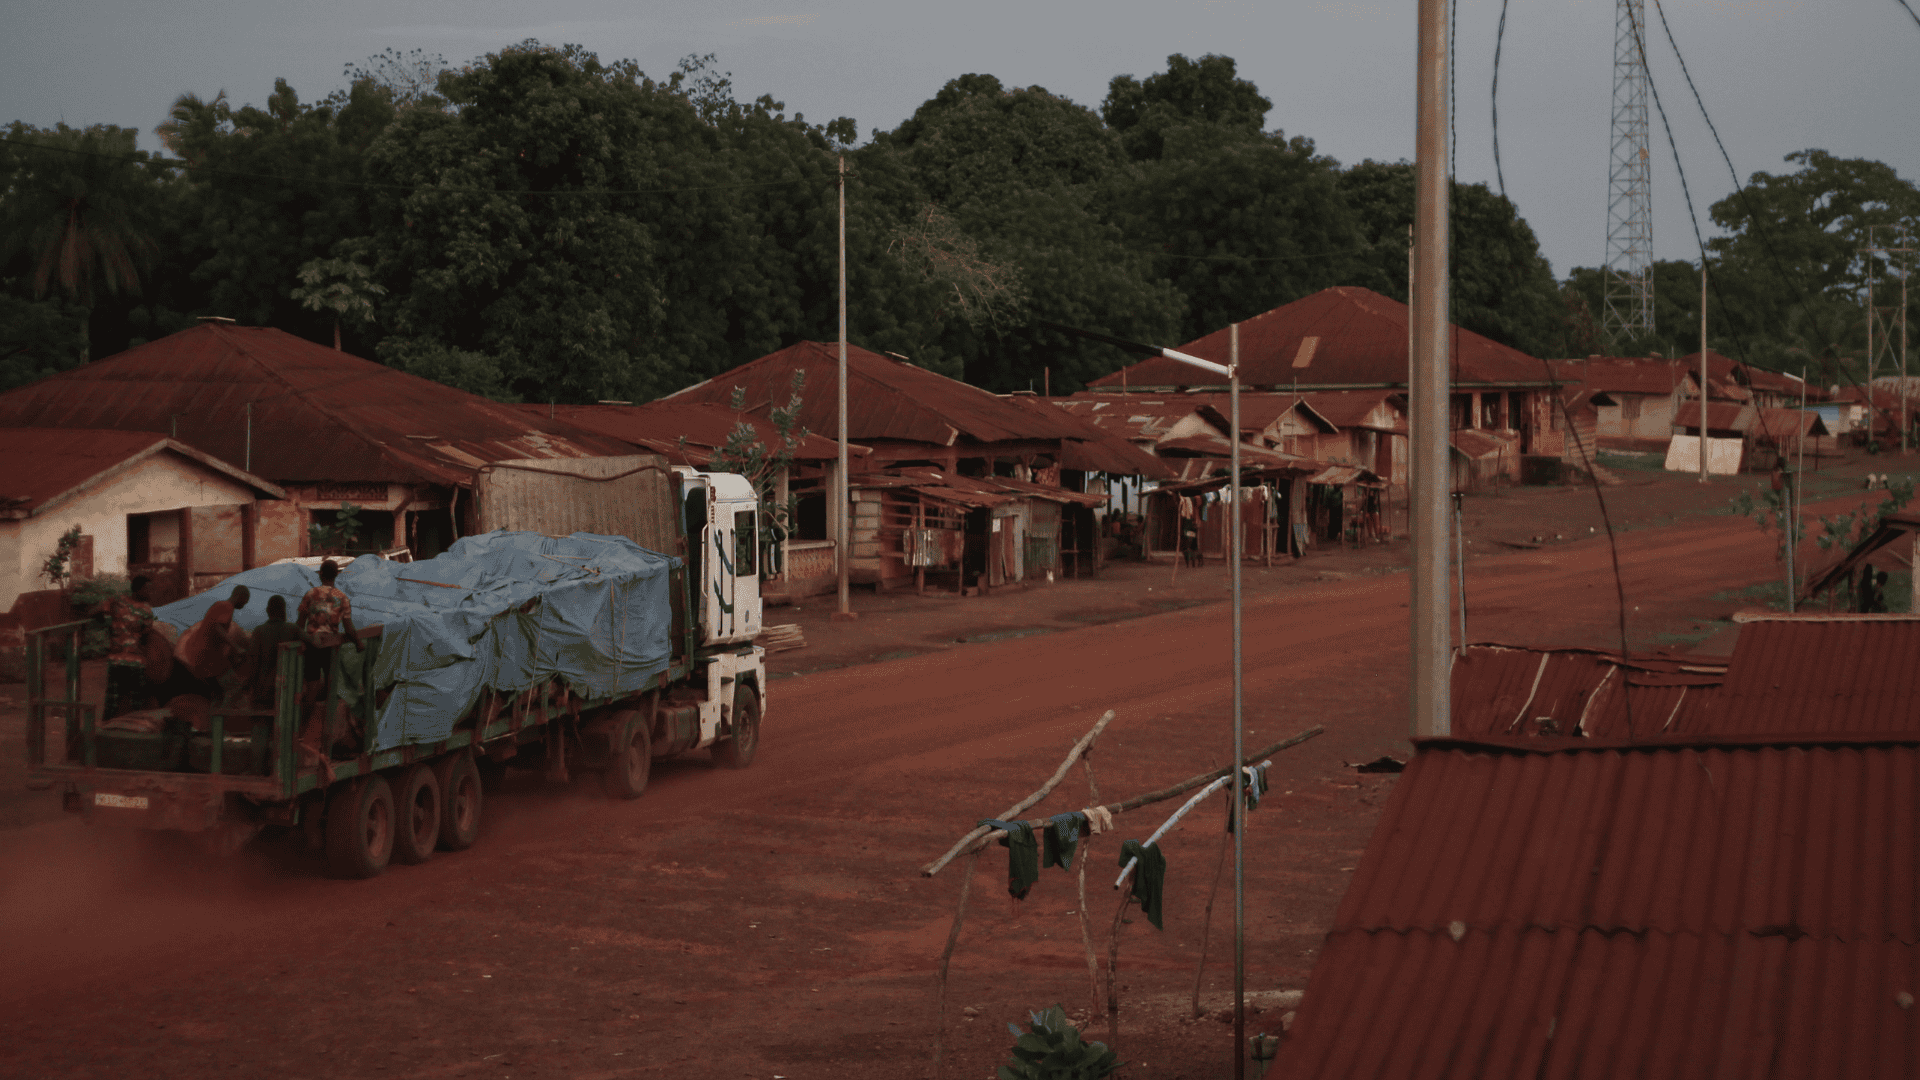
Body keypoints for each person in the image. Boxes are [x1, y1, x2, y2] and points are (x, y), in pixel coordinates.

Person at [297, 559, 361, 688]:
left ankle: (310, 708)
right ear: (336, 574)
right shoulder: (342, 598)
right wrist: (358, 643)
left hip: (312, 644)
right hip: (331, 645)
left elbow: (300, 624)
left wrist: (301, 642)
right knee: (331, 684)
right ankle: (329, 706)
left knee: (312, 684)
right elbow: (349, 629)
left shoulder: (310, 594)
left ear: (320, 574)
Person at [103, 576, 156, 719]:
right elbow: (98, 611)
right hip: (117, 660)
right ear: (138, 589)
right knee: (112, 702)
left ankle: (132, 729)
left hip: (136, 662)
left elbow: (146, 636)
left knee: (136, 703)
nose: (150, 592)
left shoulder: (147, 610)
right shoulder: (118, 601)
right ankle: (106, 729)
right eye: (147, 589)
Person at [242, 594, 304, 708]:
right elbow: (312, 642)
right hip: (287, 692)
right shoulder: (293, 629)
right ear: (283, 610)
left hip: (263, 694)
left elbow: (253, 664)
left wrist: (247, 684)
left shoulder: (259, 631)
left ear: (267, 610)